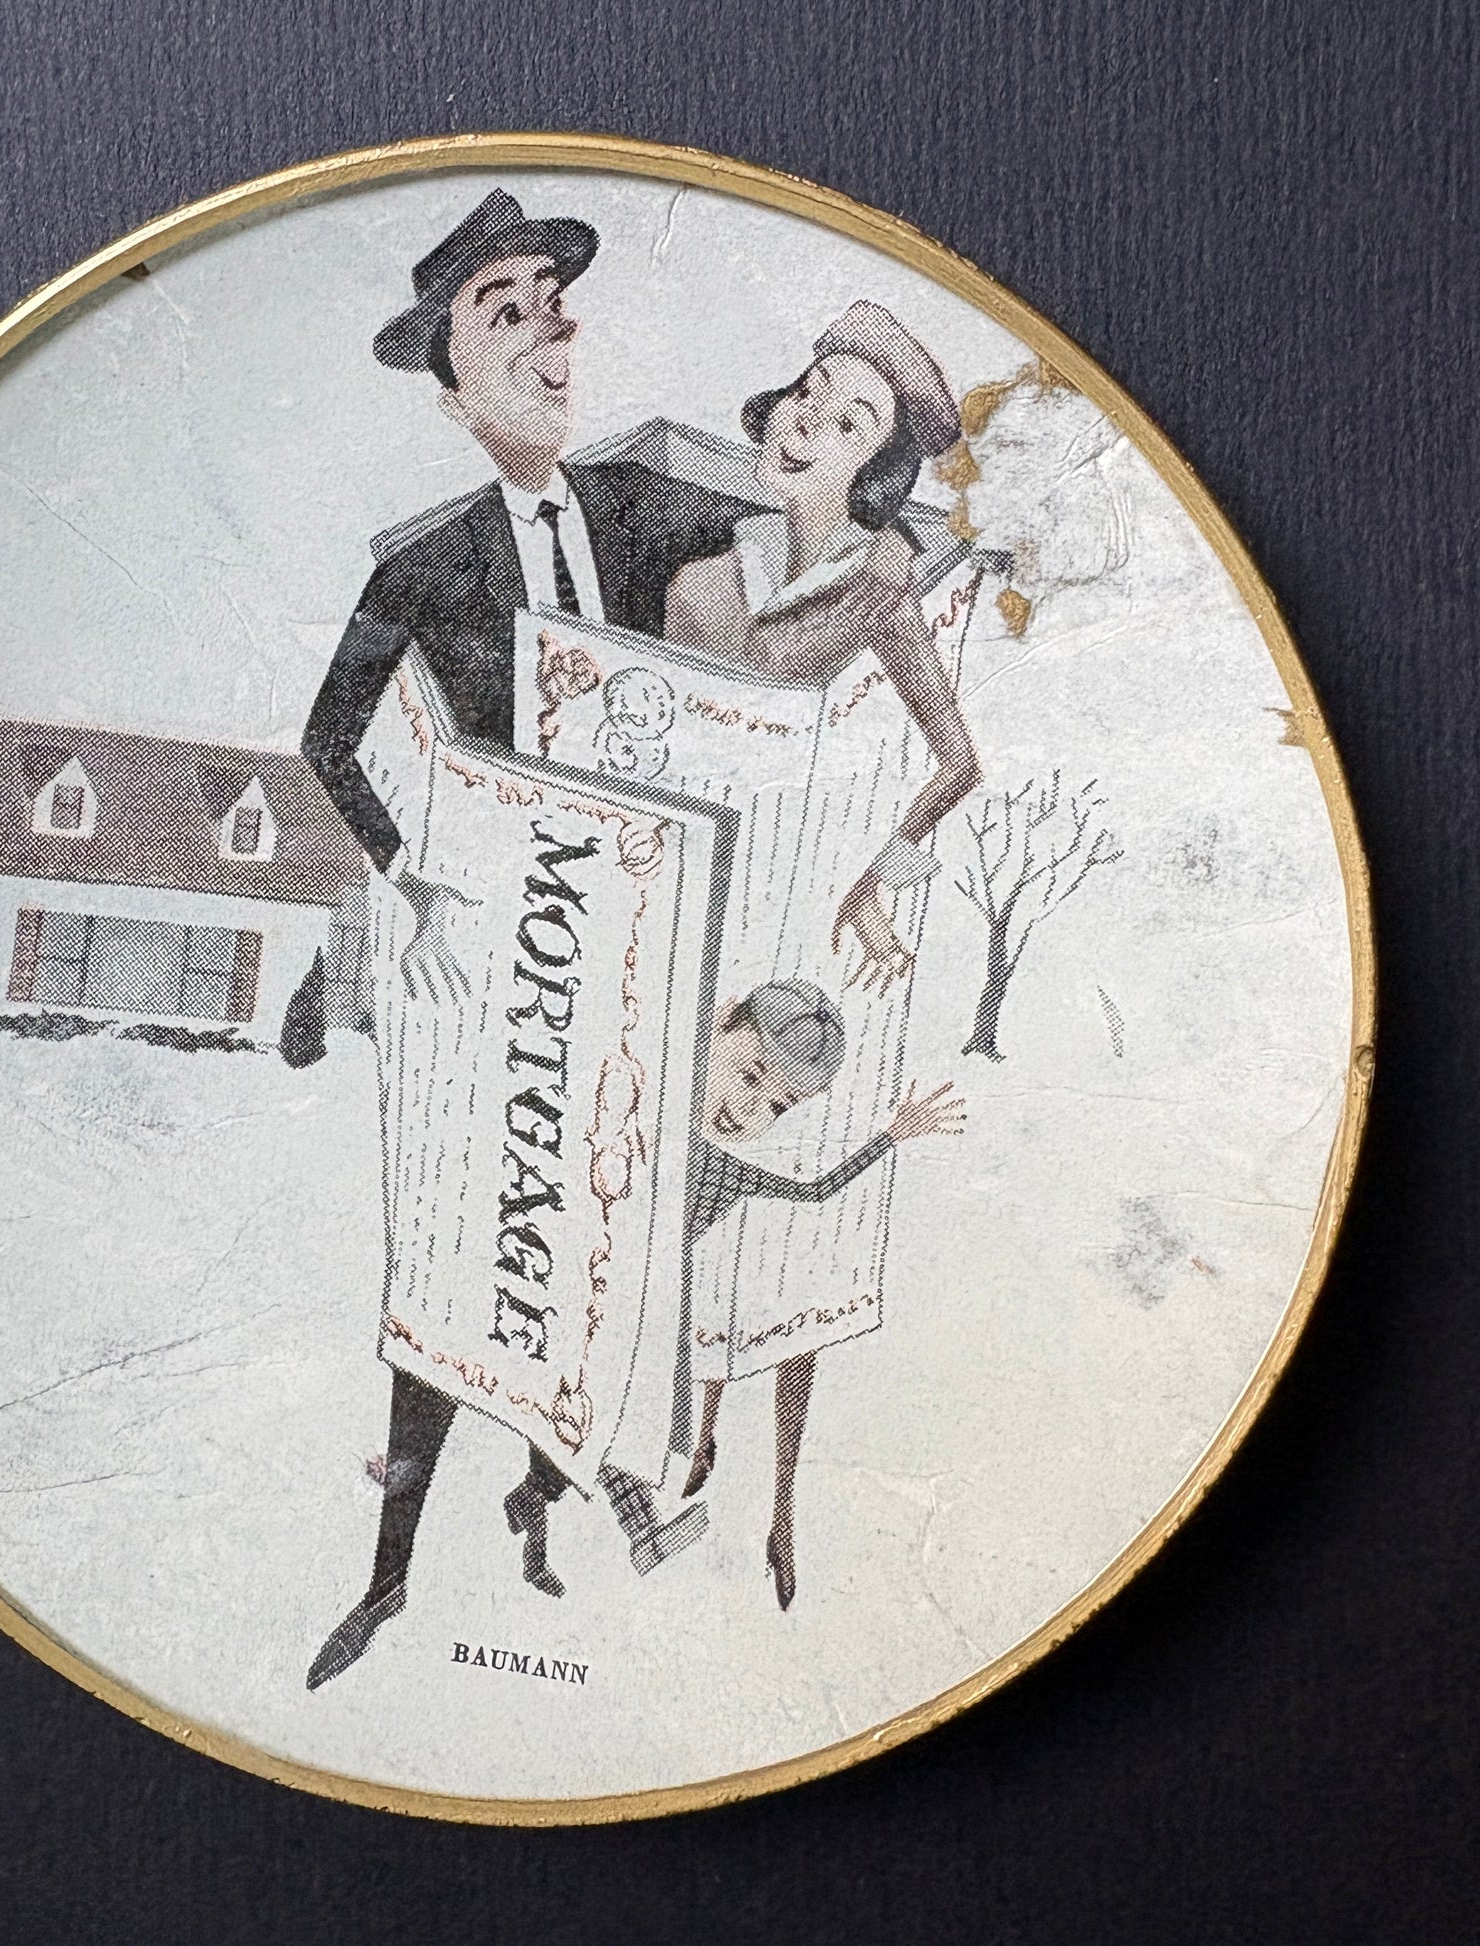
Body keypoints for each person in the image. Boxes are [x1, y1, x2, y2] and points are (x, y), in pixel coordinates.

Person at [301, 189, 769, 1690]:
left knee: (617, 1219)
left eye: (552, 302)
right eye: (503, 310)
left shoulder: (636, 507)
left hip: (635, 944)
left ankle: (567, 1483)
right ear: (452, 387)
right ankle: (389, 1574)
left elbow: (766, 538)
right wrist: (414, 879)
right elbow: (327, 739)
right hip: (503, 951)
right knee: (470, 1249)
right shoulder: (425, 568)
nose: (546, 326)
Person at [662, 300, 982, 991]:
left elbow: (959, 764)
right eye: (809, 392)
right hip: (671, 886)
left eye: (847, 425)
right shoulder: (699, 585)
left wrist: (869, 881)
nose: (805, 420)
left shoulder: (878, 587)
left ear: (874, 473)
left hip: (788, 906)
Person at [681, 982, 966, 1609]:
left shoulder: (735, 1166)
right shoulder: (668, 1103)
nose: (748, 1109)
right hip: (662, 1291)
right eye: (750, 1076)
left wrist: (893, 1134)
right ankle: (703, 1444)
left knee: (773, 1318)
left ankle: (769, 1506)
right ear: (718, 1023)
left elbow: (815, 1191)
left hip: (745, 1267)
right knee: (720, 1318)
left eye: (776, 1104)